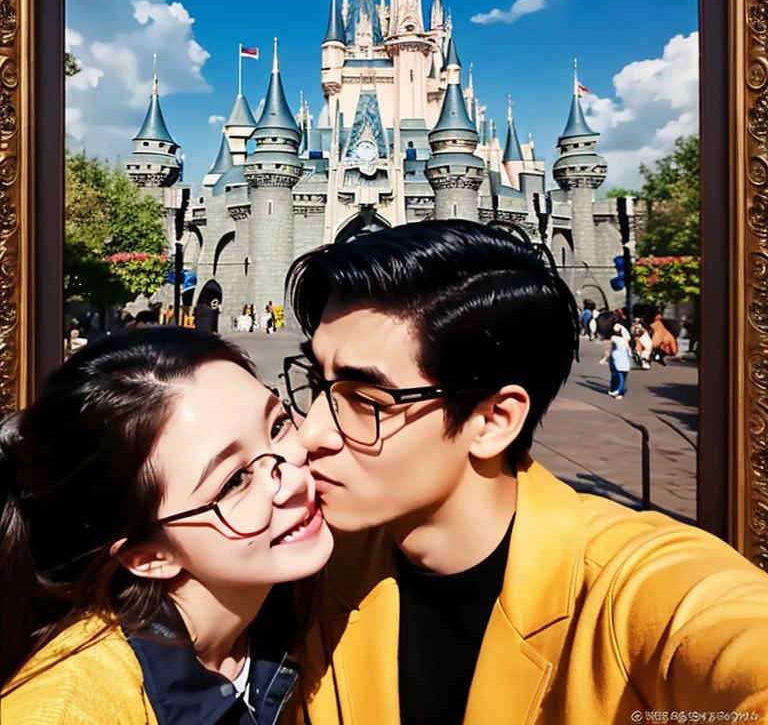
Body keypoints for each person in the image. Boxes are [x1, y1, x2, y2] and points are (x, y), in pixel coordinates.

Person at [282, 220, 768, 725]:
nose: (310, 432)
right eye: (318, 383)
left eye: (364, 399)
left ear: (493, 421)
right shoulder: (318, 565)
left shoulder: (636, 590)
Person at [0, 327, 333, 722]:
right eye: (234, 481)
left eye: (277, 426)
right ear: (148, 556)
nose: (294, 480)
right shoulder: (68, 711)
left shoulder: (313, 601)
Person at [607, 322, 631, 399]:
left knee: (617, 375)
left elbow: (609, 348)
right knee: (622, 376)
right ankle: (619, 391)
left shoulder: (614, 338)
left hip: (616, 359)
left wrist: (605, 357)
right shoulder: (625, 340)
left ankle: (616, 390)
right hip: (624, 360)